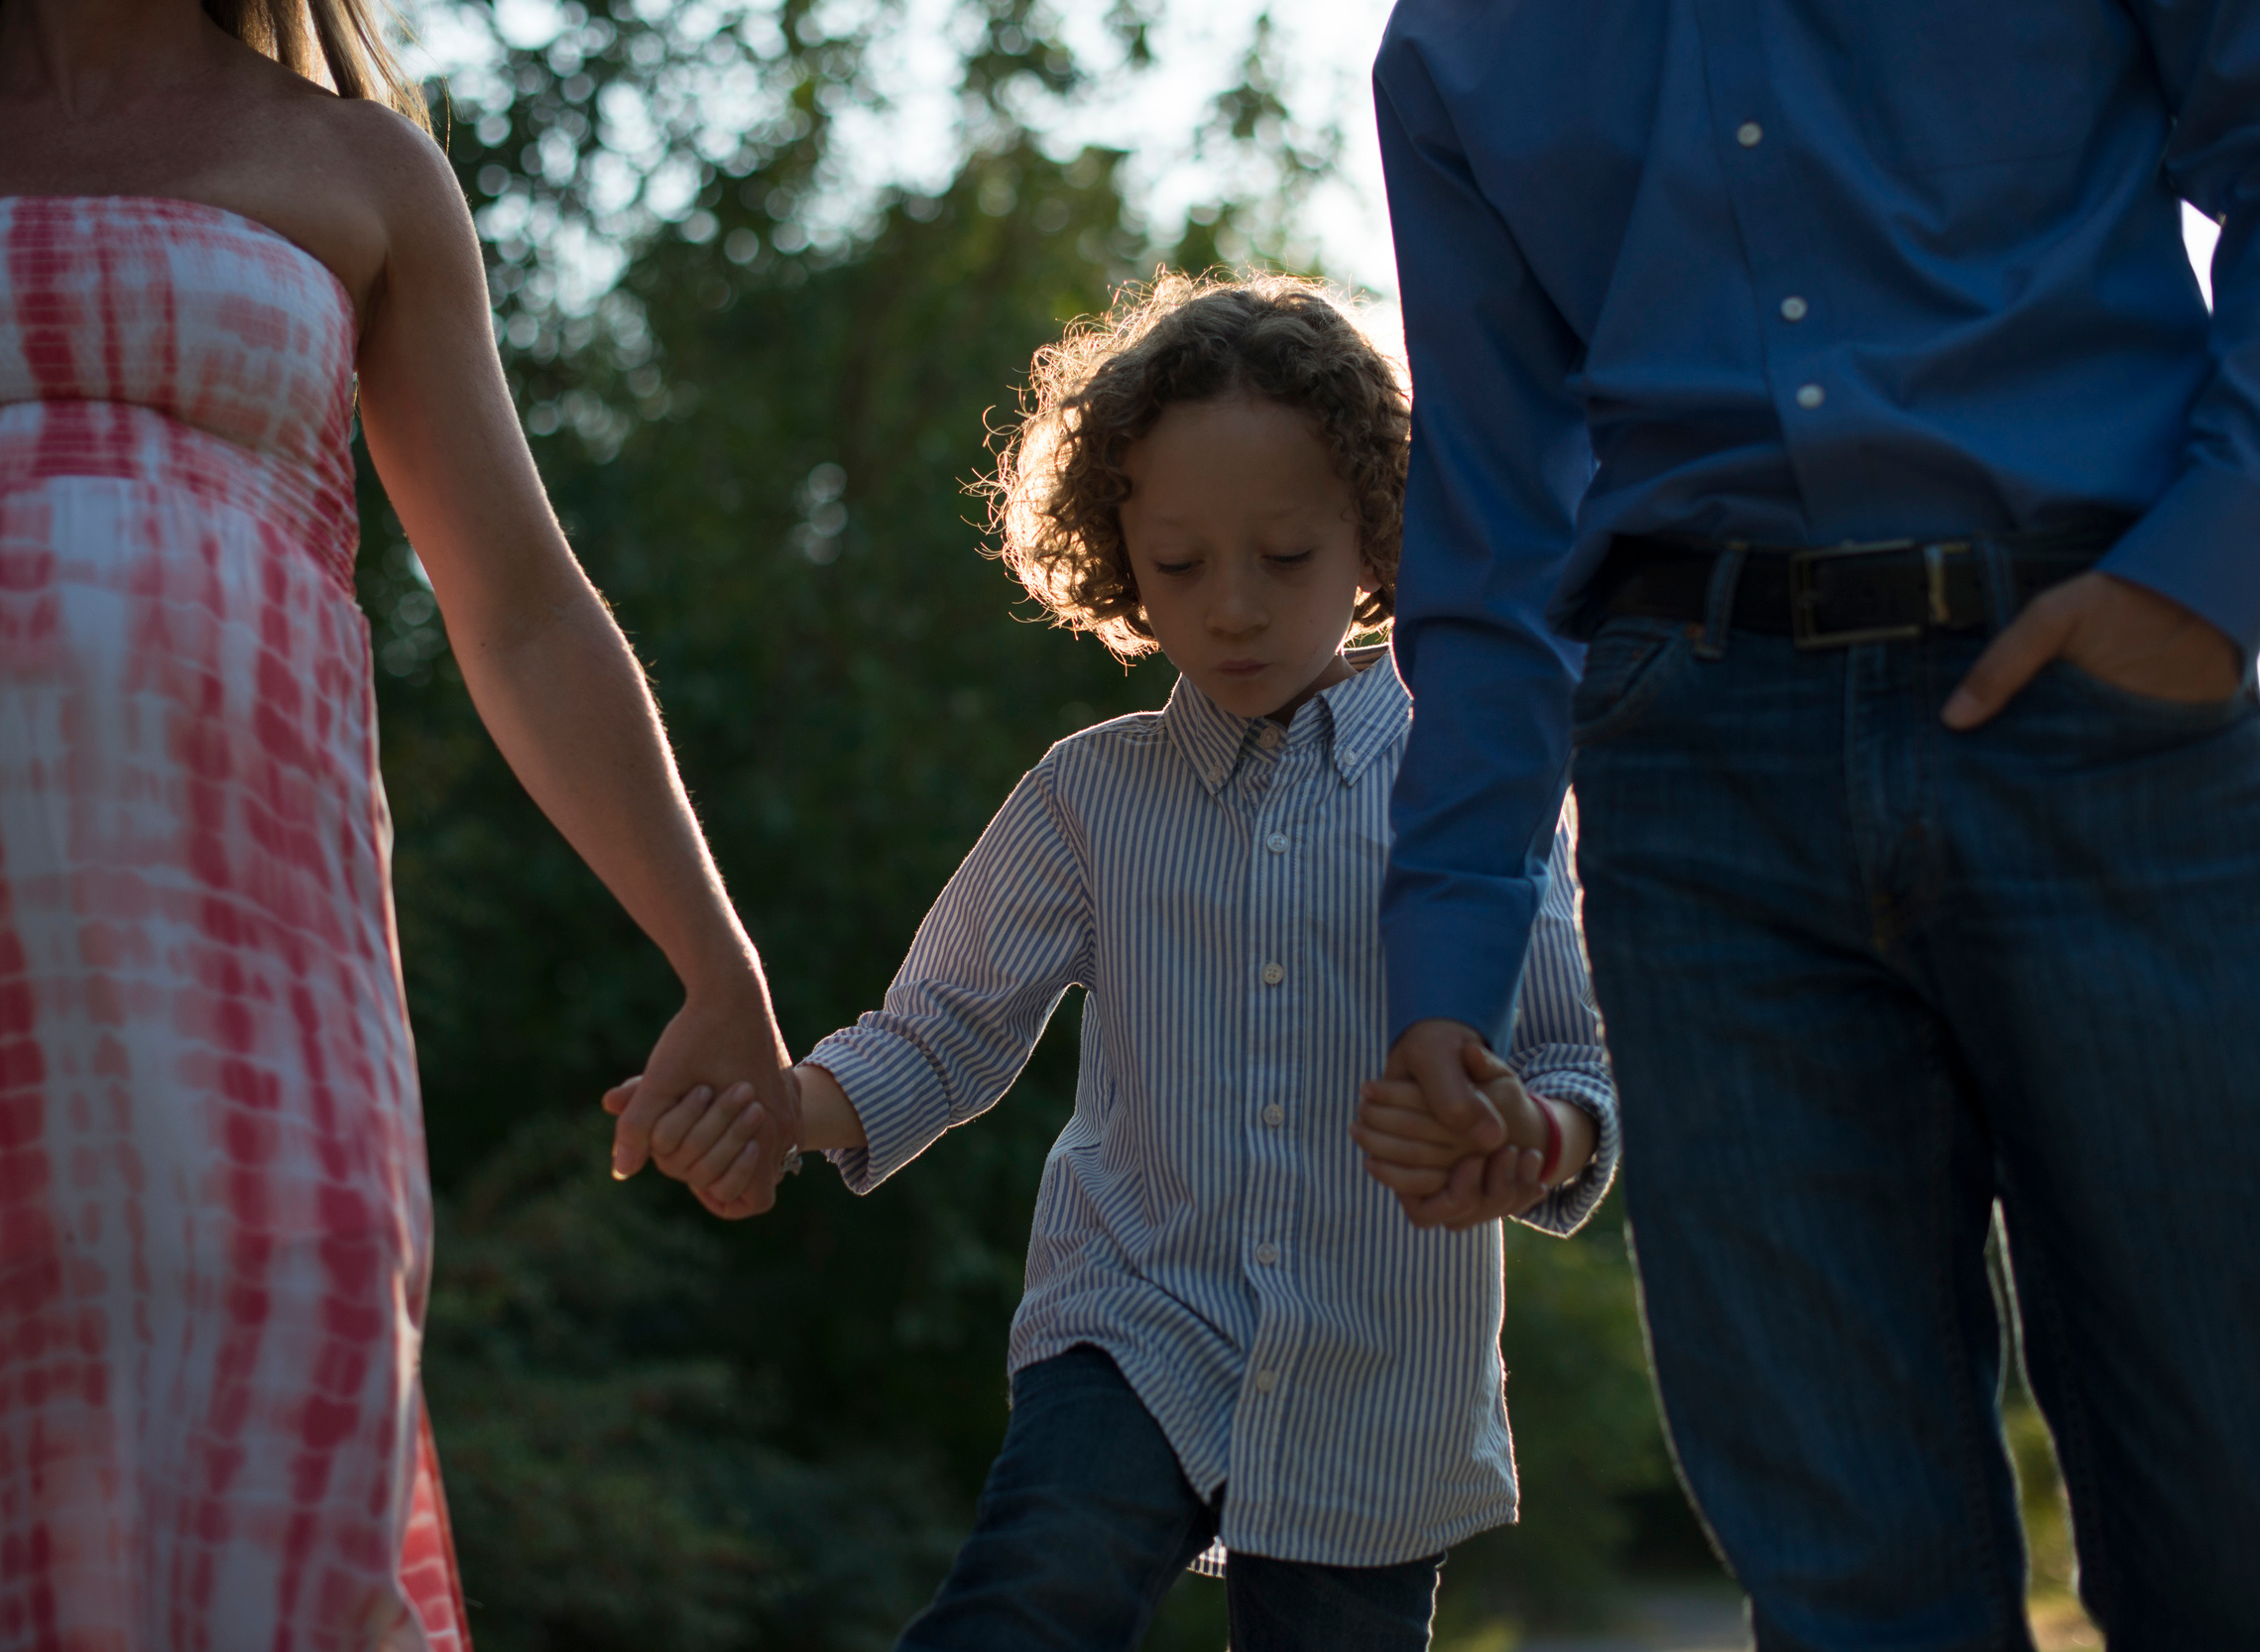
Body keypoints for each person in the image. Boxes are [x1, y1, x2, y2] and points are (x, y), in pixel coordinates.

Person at [0, 0, 798, 1645]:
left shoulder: (361, 172)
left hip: (256, 1026)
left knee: (260, 1495)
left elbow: (523, 607)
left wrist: (719, 964)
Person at [1366, 0, 2260, 1648]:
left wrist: (2216, 567)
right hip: (1699, 772)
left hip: (2105, 714)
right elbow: (1488, 522)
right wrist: (1448, 960)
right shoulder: (1466, 28)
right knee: (1852, 1586)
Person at [630, 274, 1621, 1652]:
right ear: (1115, 555)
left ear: (1376, 534)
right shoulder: (1088, 797)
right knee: (1032, 1600)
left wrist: (1543, 1135)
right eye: (1177, 563)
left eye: (1283, 556)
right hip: (1132, 1319)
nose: (1230, 608)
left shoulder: (1476, 784)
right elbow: (940, 1028)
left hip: (1378, 1376)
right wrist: (782, 1105)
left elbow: (1579, 1064)